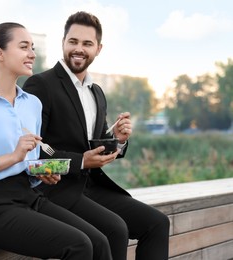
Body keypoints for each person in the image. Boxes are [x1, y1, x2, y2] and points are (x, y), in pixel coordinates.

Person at [0, 22, 114, 260]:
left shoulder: (31, 104)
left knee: (98, 241)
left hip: (28, 197)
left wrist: (41, 173)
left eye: (32, 47)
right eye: (24, 47)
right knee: (78, 245)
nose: (32, 54)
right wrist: (14, 156)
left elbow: (28, 162)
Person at [23, 11, 170, 260]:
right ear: (63, 43)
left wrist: (119, 140)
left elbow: (98, 141)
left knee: (158, 223)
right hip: (56, 189)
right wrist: (81, 161)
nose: (79, 49)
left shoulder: (97, 92)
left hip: (92, 186)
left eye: (87, 43)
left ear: (98, 49)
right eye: (73, 41)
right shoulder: (40, 85)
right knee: (115, 229)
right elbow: (34, 152)